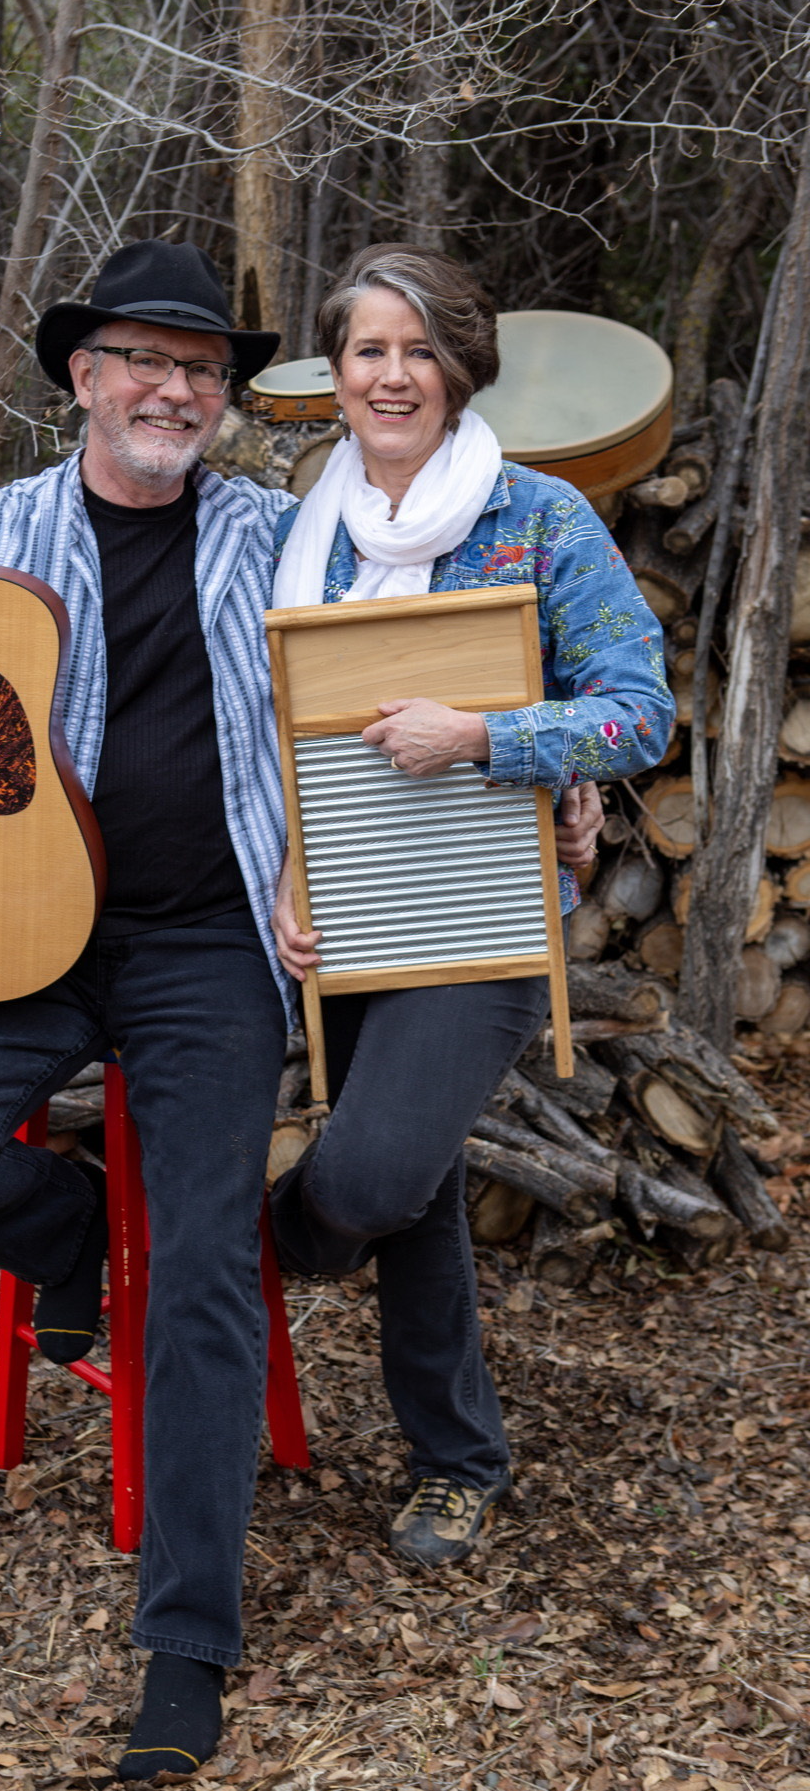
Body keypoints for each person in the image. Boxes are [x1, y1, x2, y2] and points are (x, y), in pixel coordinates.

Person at [0, 238, 605, 1779]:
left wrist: (556, 764)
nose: (173, 390)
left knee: (202, 1260)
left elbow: (426, 636)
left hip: (209, 945)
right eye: (142, 360)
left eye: (200, 370)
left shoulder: (285, 532)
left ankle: (185, 1640)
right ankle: (77, 1244)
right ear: (82, 376)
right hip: (19, 926)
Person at [268, 244, 675, 1573]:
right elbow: (258, 727)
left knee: (372, 1174)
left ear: (461, 367)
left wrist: (491, 737)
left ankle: (230, 1260)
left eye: (418, 348)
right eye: (369, 349)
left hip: (487, 912)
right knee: (421, 1188)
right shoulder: (296, 533)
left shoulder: (540, 520)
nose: (394, 374)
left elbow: (638, 707)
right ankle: (457, 1460)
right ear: (336, 374)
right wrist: (286, 863)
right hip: (343, 921)